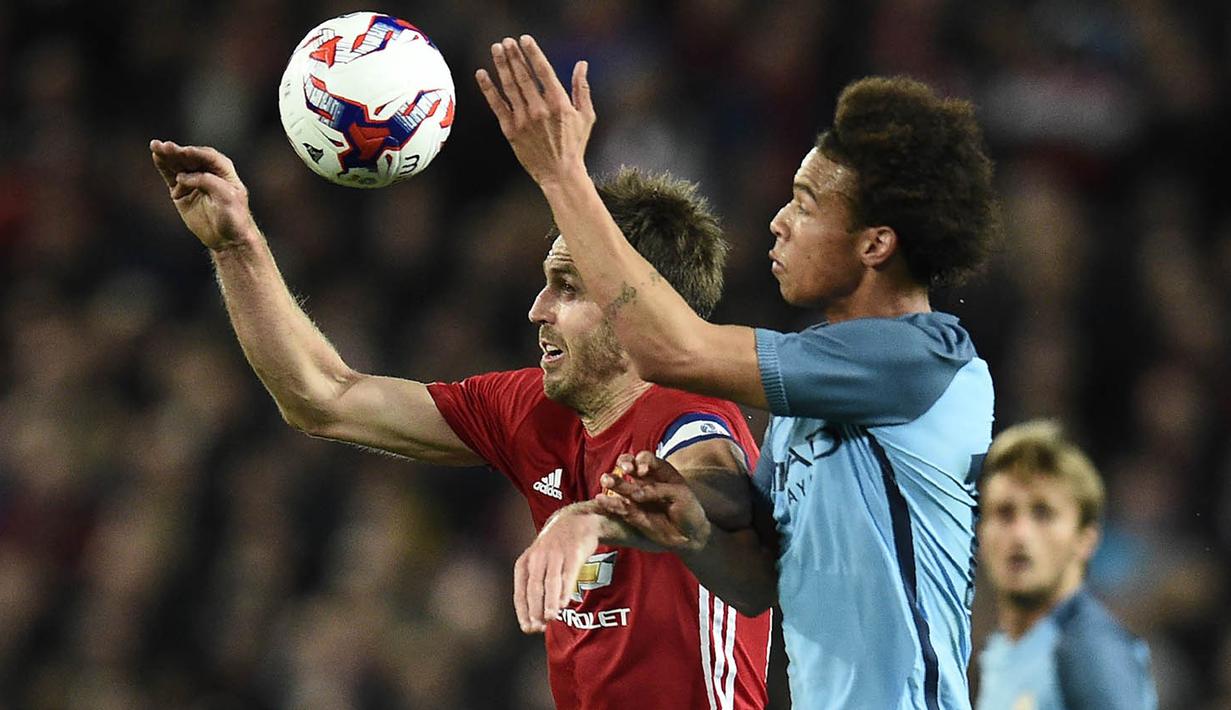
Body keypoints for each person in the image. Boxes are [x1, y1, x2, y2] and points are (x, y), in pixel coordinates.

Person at [147, 140, 771, 710]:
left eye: (567, 287)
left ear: (641, 306)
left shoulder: (692, 411)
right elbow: (324, 397)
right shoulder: (533, 409)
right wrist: (236, 246)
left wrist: (590, 517)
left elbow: (719, 497)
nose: (537, 309)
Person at [476, 36, 1001, 709]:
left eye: (807, 204)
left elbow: (673, 350)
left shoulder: (917, 361)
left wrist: (563, 177)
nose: (778, 223)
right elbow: (756, 583)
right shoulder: (811, 398)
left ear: (875, 244)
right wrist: (683, 526)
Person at [974, 420, 1157, 710]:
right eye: (1004, 513)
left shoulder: (1091, 650)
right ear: (981, 533)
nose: (1020, 534)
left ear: (1085, 539)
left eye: (1043, 513)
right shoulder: (1001, 649)